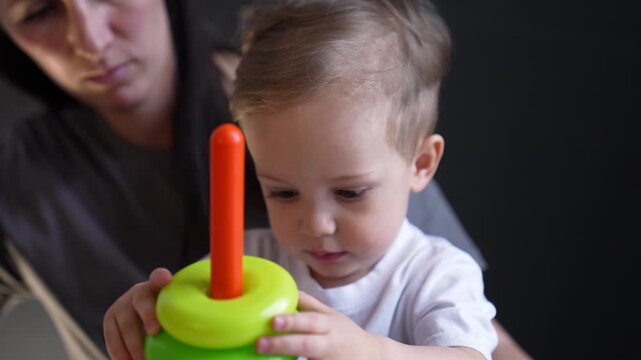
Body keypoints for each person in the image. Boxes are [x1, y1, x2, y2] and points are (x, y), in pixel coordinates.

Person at [0, 0, 528, 359]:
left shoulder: (435, 273)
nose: (316, 223)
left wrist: (367, 350)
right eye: (281, 191)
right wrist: (147, 319)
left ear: (420, 165)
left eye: (348, 192)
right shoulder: (250, 256)